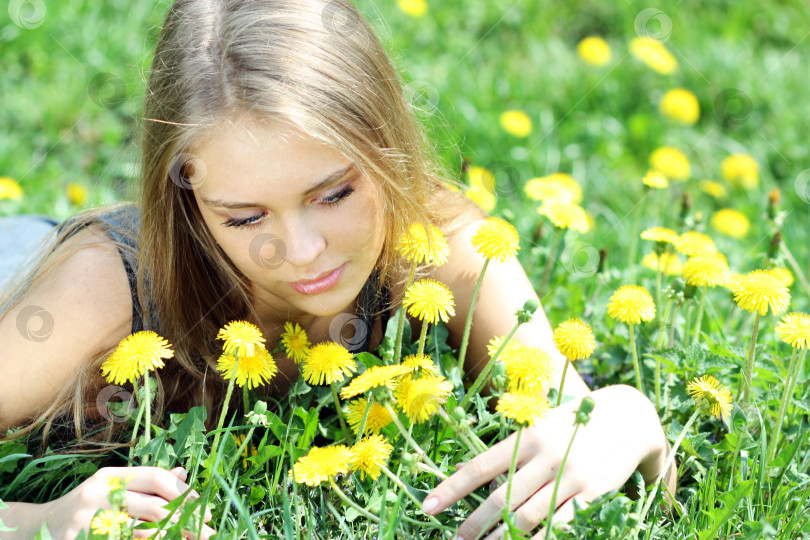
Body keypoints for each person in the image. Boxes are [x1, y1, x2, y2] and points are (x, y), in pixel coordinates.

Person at [0, 0, 676, 538]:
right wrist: (39, 524)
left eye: (333, 195)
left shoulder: (437, 246)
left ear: (386, 150)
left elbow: (583, 426)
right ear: (185, 200)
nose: (302, 252)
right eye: (243, 217)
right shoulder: (102, 289)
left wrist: (627, 416)